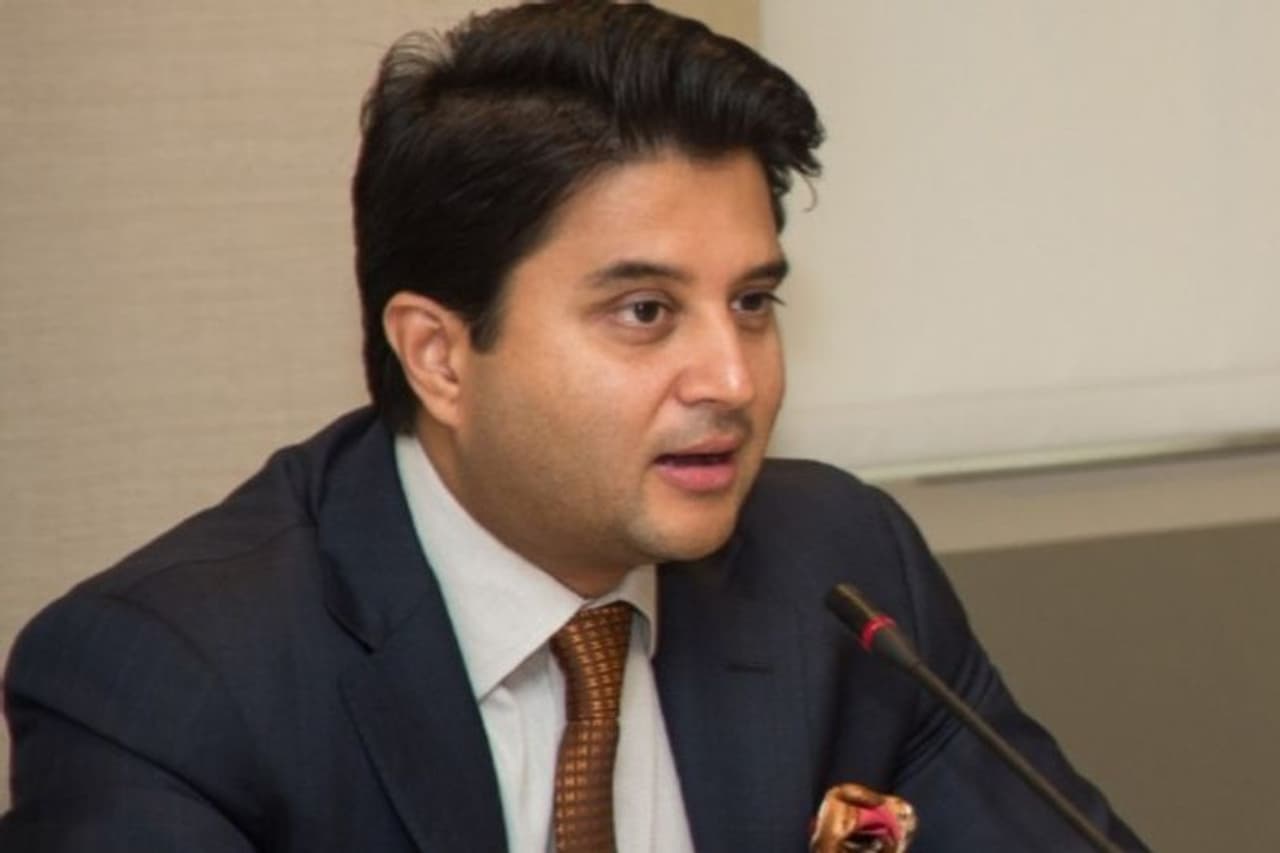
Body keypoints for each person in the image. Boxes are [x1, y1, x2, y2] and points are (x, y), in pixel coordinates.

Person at [0, 2, 1147, 851]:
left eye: (752, 302)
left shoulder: (836, 568)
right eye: (644, 312)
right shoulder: (173, 682)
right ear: (439, 354)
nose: (732, 378)